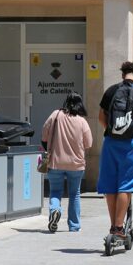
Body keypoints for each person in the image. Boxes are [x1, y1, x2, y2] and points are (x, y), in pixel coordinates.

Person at [97, 61, 133, 238]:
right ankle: (118, 227)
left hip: (111, 142)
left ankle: (112, 226)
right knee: (126, 185)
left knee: (110, 185)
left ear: (123, 75)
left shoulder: (111, 91)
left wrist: (110, 130)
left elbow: (101, 116)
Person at [41, 92, 93, 233]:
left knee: (55, 191)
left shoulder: (55, 115)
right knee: (74, 194)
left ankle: (55, 210)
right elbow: (89, 143)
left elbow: (44, 136)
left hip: (55, 162)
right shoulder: (82, 121)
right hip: (76, 164)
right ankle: (74, 225)